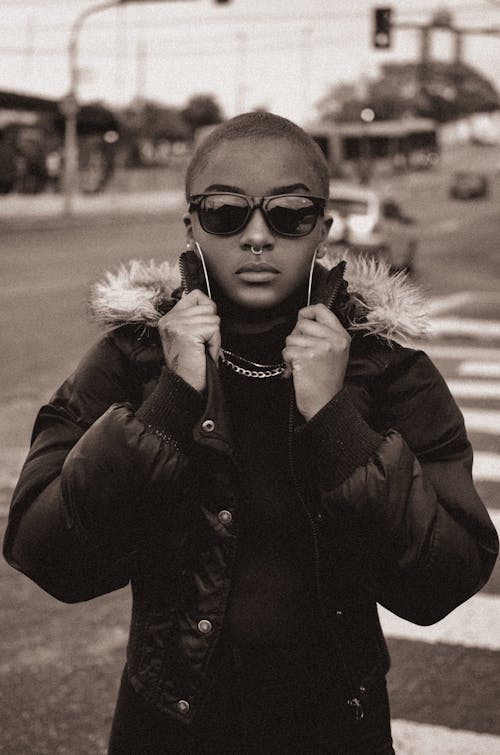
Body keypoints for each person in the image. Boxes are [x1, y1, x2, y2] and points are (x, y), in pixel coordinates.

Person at [4, 112, 498, 754]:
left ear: (322, 226)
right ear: (191, 224)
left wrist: (337, 421)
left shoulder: (386, 370)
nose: (258, 236)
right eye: (226, 213)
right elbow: (49, 557)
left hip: (336, 732)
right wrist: (169, 403)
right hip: (166, 732)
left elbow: (445, 580)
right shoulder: (132, 360)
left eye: (289, 213)